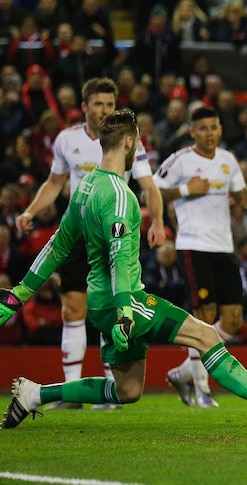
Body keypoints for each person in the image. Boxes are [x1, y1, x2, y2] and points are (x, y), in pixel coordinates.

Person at [0, 109, 247, 428]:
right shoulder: (120, 196)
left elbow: (58, 245)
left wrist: (19, 293)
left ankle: (34, 394)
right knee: (206, 335)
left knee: (127, 389)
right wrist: (125, 310)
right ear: (129, 143)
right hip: (124, 301)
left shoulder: (85, 188)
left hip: (99, 302)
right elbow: (119, 257)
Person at [14, 77, 166, 411]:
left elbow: (148, 186)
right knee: (74, 308)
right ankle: (70, 391)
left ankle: (110, 389)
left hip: (113, 234)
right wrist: (31, 211)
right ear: (84, 106)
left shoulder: (127, 142)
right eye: (98, 104)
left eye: (110, 105)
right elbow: (54, 184)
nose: (104, 110)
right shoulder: (67, 140)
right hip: (78, 228)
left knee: (109, 308)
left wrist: (157, 221)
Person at [155, 106, 247, 408]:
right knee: (204, 321)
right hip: (193, 247)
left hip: (223, 248)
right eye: (202, 128)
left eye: (214, 127)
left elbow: (244, 198)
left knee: (232, 321)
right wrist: (184, 189)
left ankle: (183, 373)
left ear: (220, 130)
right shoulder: (181, 160)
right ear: (193, 131)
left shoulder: (228, 160)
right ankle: (203, 390)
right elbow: (150, 192)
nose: (209, 133)